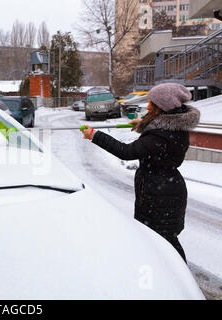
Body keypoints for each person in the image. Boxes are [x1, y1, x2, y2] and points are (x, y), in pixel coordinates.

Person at [80, 83, 200, 262]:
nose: (148, 106)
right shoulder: (174, 127)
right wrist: (143, 125)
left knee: (164, 242)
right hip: (167, 189)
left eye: (152, 103)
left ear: (162, 107)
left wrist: (95, 135)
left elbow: (126, 152)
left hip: (160, 195)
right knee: (163, 241)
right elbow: (161, 127)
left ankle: (181, 283)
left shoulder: (158, 137)